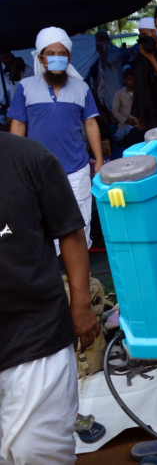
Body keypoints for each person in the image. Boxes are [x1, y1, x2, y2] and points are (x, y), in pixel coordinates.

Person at [0, 132, 100, 465]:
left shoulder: (29, 157)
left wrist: (82, 304)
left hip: (35, 338)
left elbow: (70, 230)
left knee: (35, 455)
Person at [7, 27, 103, 252]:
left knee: (80, 227)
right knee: (45, 228)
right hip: (38, 171)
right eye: (50, 53)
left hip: (77, 169)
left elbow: (90, 123)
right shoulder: (26, 87)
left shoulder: (81, 88)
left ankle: (81, 280)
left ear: (69, 57)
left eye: (61, 54)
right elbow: (18, 125)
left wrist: (98, 160)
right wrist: (12, 163)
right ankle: (56, 281)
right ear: (40, 57)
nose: (56, 58)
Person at [93, 30, 124, 111]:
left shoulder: (114, 50)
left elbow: (108, 63)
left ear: (104, 40)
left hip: (115, 82)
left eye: (98, 41)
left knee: (117, 103)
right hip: (105, 83)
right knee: (107, 103)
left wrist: (101, 52)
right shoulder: (102, 52)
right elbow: (101, 70)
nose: (97, 43)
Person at [112, 67, 139, 132]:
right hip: (124, 126)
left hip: (139, 125)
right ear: (124, 80)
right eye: (129, 79)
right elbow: (115, 111)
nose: (131, 81)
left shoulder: (140, 92)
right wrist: (126, 120)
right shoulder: (118, 94)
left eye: (133, 79)